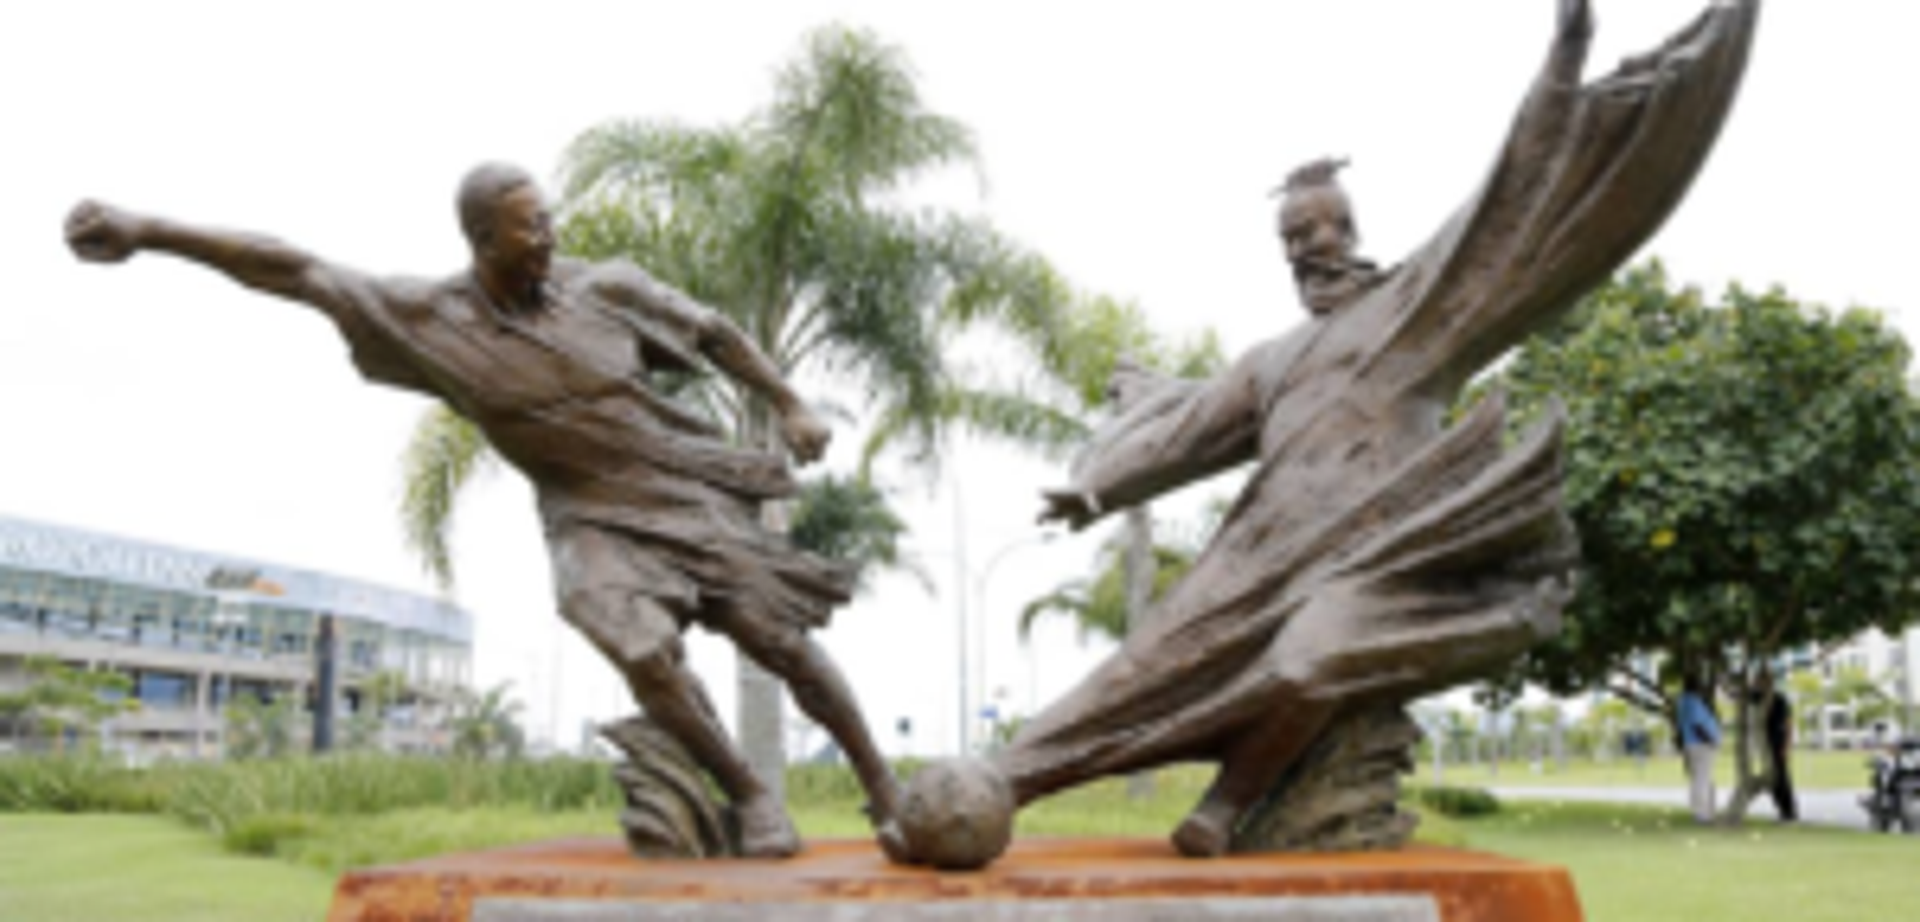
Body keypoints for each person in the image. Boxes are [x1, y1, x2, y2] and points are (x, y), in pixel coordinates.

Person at [972, 0, 1760, 860]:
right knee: (1136, 676)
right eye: (1295, 235)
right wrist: (1095, 489)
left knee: (1308, 659)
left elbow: (1506, 202)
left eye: (1328, 227)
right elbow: (1186, 434)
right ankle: (993, 785)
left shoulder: (1416, 306)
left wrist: (1565, 55)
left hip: (1380, 553)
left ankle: (1227, 804)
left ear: (1353, 227)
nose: (1314, 244)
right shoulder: (1270, 361)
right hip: (1261, 552)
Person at [64, 163, 900, 858]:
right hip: (585, 513)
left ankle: (883, 789)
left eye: (549, 219)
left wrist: (789, 402)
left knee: (779, 642)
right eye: (532, 227)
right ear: (483, 240)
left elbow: (712, 333)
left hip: (679, 485)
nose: (551, 236)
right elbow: (293, 268)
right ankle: (750, 792)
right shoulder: (427, 321)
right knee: (635, 642)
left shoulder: (607, 289)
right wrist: (150, 231)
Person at [1754, 670, 1798, 822]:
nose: (1757, 684)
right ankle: (1781, 808)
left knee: (1781, 777)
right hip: (1764, 743)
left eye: (1759, 681)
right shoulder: (1757, 698)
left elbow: (1788, 724)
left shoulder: (1779, 699)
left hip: (1778, 742)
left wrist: (1786, 746)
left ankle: (1789, 810)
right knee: (1772, 778)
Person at [1678, 676, 1721, 824]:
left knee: (1697, 778)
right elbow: (1697, 725)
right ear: (1696, 687)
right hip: (1701, 745)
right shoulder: (1694, 701)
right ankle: (1702, 814)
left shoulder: (1682, 701)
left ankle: (1698, 810)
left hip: (1690, 744)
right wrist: (1711, 740)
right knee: (1703, 778)